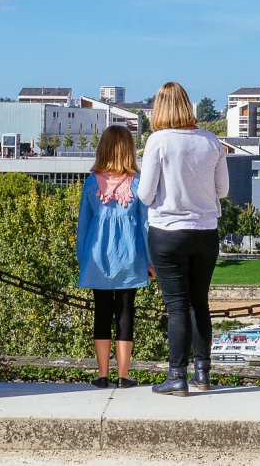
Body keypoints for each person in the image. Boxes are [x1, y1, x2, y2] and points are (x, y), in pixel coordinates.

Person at [138, 82, 229, 396]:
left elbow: (146, 194)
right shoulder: (211, 141)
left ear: (159, 108)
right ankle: (202, 373)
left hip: (167, 232)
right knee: (199, 303)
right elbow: (223, 191)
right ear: (188, 106)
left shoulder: (158, 141)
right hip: (205, 232)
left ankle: (177, 375)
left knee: (177, 306)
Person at [76, 125, 154, 389]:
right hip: (130, 257)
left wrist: (82, 260)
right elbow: (145, 225)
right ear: (129, 150)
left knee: (101, 313)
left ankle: (102, 374)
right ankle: (123, 374)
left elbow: (83, 227)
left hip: (97, 257)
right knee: (125, 313)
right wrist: (151, 261)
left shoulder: (90, 183)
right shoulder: (138, 183)